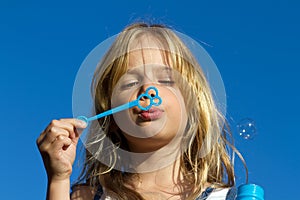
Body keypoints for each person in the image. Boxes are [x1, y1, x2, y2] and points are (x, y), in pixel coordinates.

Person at [37, 23, 245, 200]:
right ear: (110, 117)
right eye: (130, 83)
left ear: (193, 108)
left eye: (165, 80)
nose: (147, 92)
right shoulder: (88, 197)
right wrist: (59, 180)